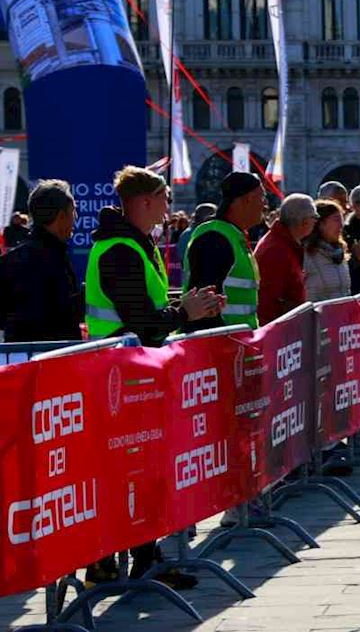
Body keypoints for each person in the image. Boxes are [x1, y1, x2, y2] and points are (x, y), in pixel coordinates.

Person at [84, 166, 222, 590]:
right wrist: (186, 313)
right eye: (164, 198)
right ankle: (115, 561)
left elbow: (147, 309)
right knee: (129, 471)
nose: (168, 207)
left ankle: (141, 558)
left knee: (142, 471)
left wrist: (184, 304)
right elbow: (141, 321)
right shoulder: (121, 250)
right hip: (120, 380)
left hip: (135, 375)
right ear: (144, 201)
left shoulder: (133, 245)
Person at [0, 180, 82, 341]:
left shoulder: (9, 261)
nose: (75, 218)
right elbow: (64, 313)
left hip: (20, 359)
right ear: (61, 215)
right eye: (73, 211)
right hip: (56, 357)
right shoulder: (56, 260)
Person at [183, 172, 266, 329]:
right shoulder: (214, 238)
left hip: (237, 344)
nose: (265, 205)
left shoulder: (233, 234)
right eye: (262, 198)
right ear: (248, 199)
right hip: (219, 346)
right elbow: (204, 306)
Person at [255, 193, 318, 325]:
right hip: (278, 334)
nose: (316, 222)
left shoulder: (285, 244)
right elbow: (269, 302)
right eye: (315, 217)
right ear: (304, 222)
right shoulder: (275, 250)